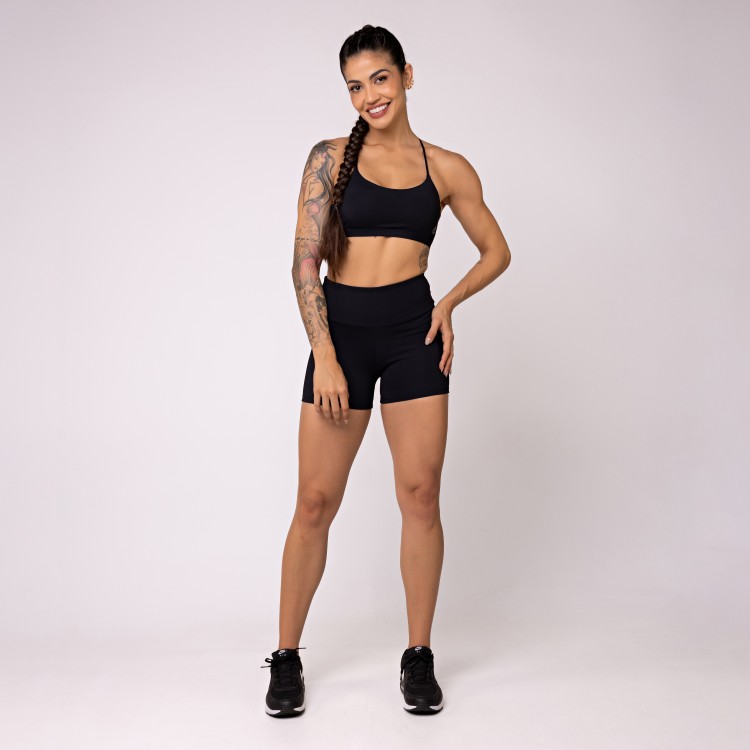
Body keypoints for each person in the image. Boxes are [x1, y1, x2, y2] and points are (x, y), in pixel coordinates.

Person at [261, 24, 511, 717]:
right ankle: (286, 656)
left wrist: (448, 303)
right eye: (354, 86)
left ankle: (418, 656)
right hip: (340, 336)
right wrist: (327, 355)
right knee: (315, 502)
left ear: (406, 75)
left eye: (379, 78)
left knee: (421, 495)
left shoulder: (447, 168)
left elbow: (496, 250)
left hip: (412, 336)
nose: (369, 95)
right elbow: (304, 262)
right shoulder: (328, 158)